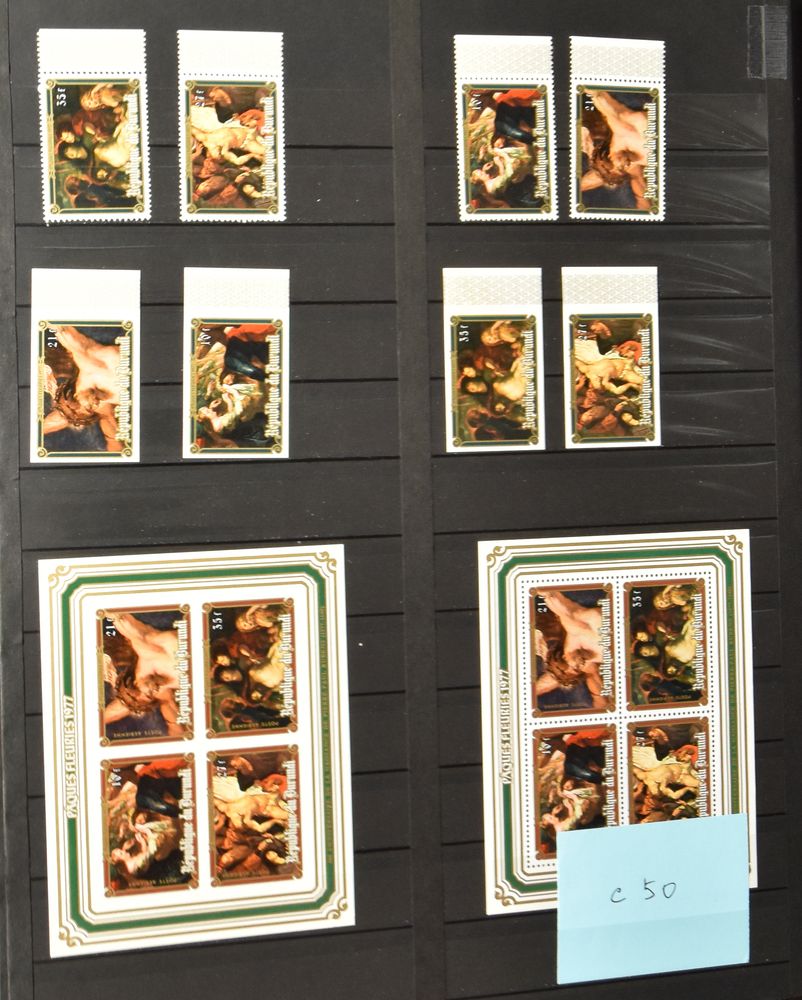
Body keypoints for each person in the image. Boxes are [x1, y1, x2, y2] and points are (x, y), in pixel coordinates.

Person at [43, 325, 126, 449]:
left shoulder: (85, 360)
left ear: (75, 395)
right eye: (90, 411)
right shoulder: (104, 404)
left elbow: (61, 329)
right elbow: (117, 448)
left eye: (87, 407)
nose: (94, 405)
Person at [103, 614, 185, 736]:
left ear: (133, 682)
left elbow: (118, 617)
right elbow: (177, 731)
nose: (151, 692)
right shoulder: (162, 689)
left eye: (137, 695)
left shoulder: (145, 649)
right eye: (149, 697)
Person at [580, 89, 652, 209]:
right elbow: (643, 203)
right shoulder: (631, 165)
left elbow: (598, 96)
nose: (623, 166)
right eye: (621, 170)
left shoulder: (622, 128)